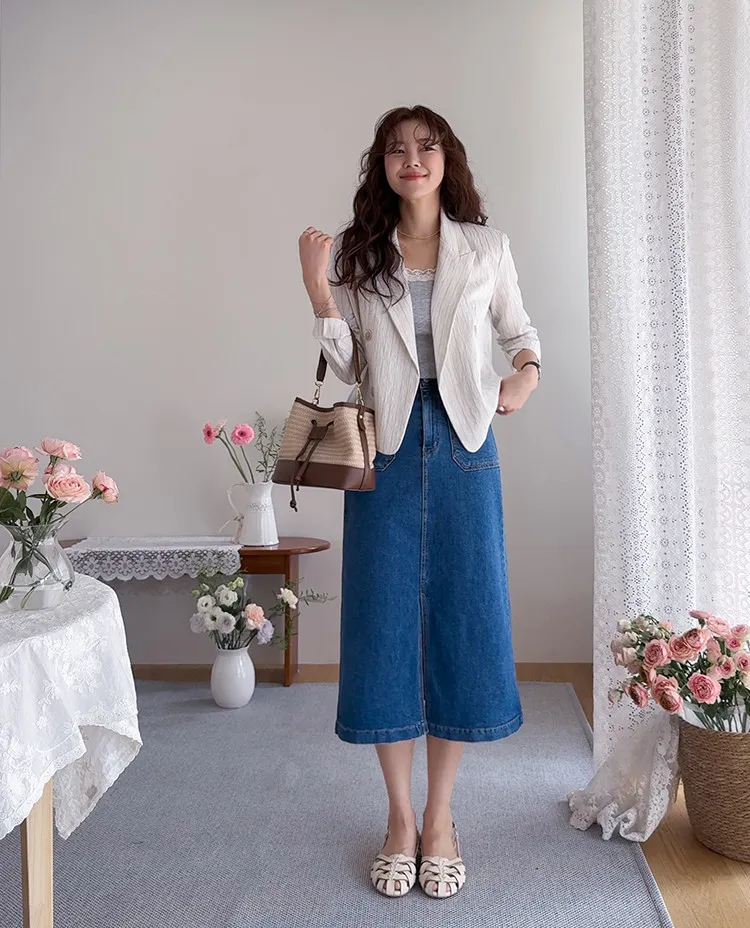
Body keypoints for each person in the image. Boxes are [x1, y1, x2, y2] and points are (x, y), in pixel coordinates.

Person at [298, 105, 541, 900]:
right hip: (385, 447)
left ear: (446, 159)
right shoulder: (360, 253)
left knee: (465, 617)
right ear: (383, 165)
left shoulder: (487, 248)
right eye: (397, 149)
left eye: (426, 146)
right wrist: (319, 290)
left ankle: (441, 819)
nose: (412, 158)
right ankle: (399, 818)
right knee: (384, 623)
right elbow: (346, 367)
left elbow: (522, 335)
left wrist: (524, 378)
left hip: (467, 442)